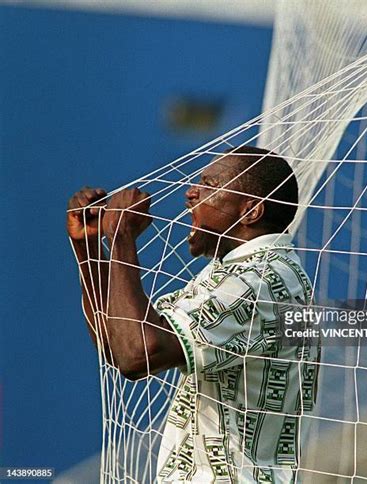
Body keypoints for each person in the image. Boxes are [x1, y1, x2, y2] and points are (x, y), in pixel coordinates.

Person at [67, 146, 320, 483]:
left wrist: (122, 238)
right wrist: (89, 250)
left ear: (251, 211)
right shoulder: (234, 273)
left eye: (209, 185)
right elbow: (117, 339)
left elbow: (136, 354)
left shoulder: (259, 282)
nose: (190, 194)